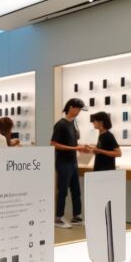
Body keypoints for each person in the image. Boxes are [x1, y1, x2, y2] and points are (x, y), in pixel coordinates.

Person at [50, 98, 89, 229]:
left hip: (73, 162)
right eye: (78, 109)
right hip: (63, 162)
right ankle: (58, 217)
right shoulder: (60, 124)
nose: (79, 112)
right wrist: (75, 148)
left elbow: (72, 143)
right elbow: (53, 144)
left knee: (76, 190)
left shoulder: (73, 124)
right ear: (71, 107)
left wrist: (81, 147)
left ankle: (76, 216)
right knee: (63, 190)